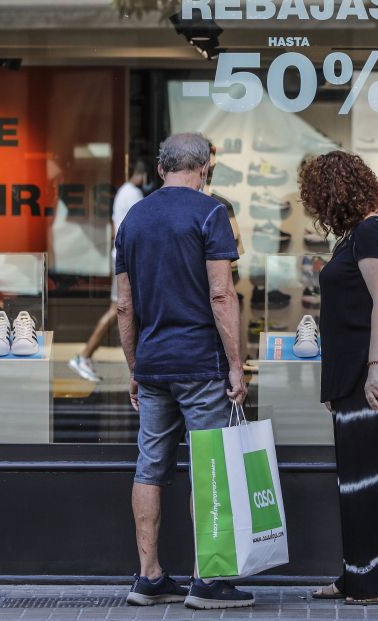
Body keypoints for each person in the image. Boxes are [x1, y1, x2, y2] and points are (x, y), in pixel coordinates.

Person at [114, 133, 251, 610]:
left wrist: (134, 366)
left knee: (149, 467)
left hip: (152, 366)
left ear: (160, 168)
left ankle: (148, 575)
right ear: (205, 167)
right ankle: (207, 580)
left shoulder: (133, 219)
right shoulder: (210, 213)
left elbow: (124, 305)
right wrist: (236, 363)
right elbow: (221, 294)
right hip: (200, 363)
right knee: (209, 466)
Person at [299, 151, 378, 605]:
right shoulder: (363, 233)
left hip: (375, 381)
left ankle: (375, 582)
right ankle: (356, 576)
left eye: (319, 199)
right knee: (359, 480)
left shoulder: (372, 232)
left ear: (334, 193)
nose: (318, 210)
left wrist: (374, 371)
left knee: (374, 481)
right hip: (356, 379)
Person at [69, 160, 150, 382]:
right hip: (128, 260)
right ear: (143, 176)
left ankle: (89, 356)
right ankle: (85, 355)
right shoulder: (133, 194)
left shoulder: (124, 191)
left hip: (122, 256)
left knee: (122, 309)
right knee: (119, 309)